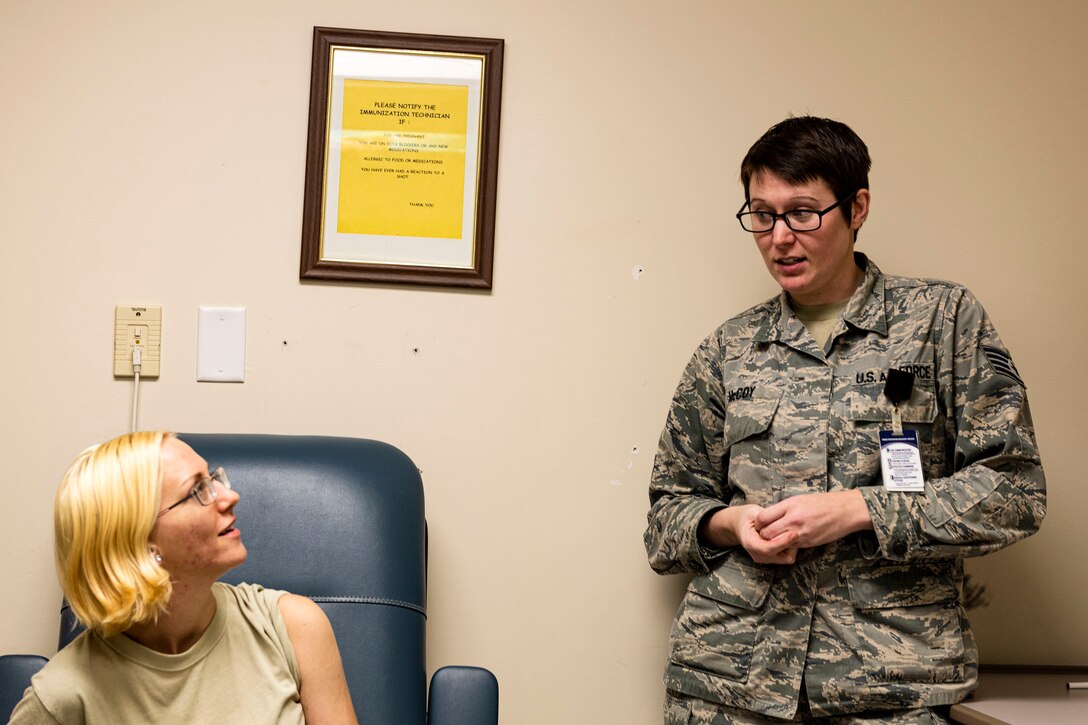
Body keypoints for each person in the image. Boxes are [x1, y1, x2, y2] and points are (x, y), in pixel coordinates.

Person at [644, 116, 1045, 724]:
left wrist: (860, 510)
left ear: (856, 208)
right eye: (761, 214)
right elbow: (665, 518)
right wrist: (732, 525)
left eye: (803, 213)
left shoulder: (941, 321)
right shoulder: (727, 350)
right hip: (728, 684)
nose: (780, 237)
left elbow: (1015, 491)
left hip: (888, 688)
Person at [9, 431, 359, 724]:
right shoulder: (61, 696)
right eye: (197, 491)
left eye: (213, 479)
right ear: (141, 545)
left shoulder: (294, 627)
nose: (230, 496)